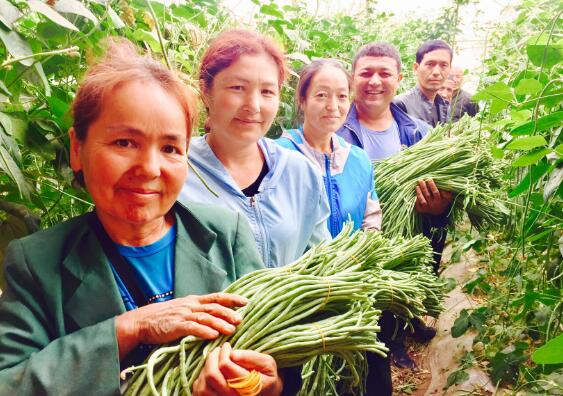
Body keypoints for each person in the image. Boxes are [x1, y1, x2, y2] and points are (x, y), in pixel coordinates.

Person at [0, 39, 286, 396]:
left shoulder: (224, 233)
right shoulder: (37, 262)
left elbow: (275, 355)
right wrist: (129, 328)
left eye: (170, 148)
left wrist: (262, 384)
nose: (149, 169)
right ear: (77, 148)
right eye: (124, 143)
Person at [336, 42, 452, 392]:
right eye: (366, 72)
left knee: (378, 351)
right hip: (342, 262)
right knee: (338, 353)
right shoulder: (332, 128)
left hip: (393, 266)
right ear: (352, 77)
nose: (374, 81)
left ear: (399, 79)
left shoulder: (420, 135)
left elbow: (442, 215)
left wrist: (438, 208)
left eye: (384, 73)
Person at [180, 30, 331, 269]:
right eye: (238, 88)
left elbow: (321, 261)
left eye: (267, 92)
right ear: (206, 91)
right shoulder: (177, 173)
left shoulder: (300, 172)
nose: (253, 105)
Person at [277, 59, 382, 237]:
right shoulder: (278, 156)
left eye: (342, 96)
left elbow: (371, 222)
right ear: (302, 101)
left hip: (351, 263)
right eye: (321, 95)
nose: (333, 106)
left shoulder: (359, 160)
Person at [394, 39, 453, 127]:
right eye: (430, 64)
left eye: (444, 65)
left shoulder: (445, 106)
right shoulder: (399, 105)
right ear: (416, 68)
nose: (436, 72)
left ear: (449, 70)